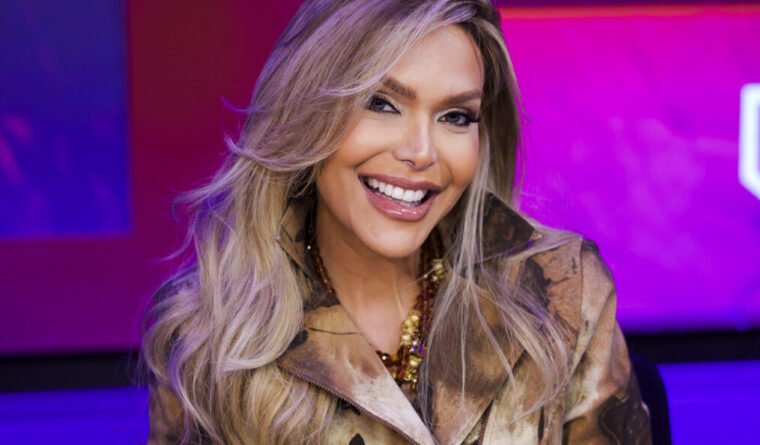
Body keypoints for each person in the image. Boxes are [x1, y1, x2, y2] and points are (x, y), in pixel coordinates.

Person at [142, 0, 652, 443]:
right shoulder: (207, 331)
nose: (421, 152)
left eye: (455, 116)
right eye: (380, 103)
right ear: (304, 111)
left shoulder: (563, 290)